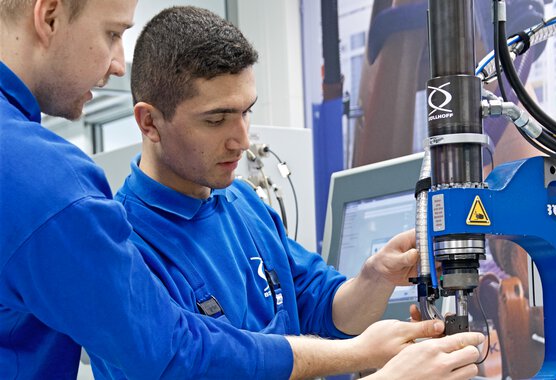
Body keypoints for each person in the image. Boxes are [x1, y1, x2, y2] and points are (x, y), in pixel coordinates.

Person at [0, 1, 483, 379]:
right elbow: (177, 355)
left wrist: (373, 279)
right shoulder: (120, 235)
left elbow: (317, 304)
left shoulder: (242, 204)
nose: (242, 139)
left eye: (246, 111)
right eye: (216, 119)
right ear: (150, 122)